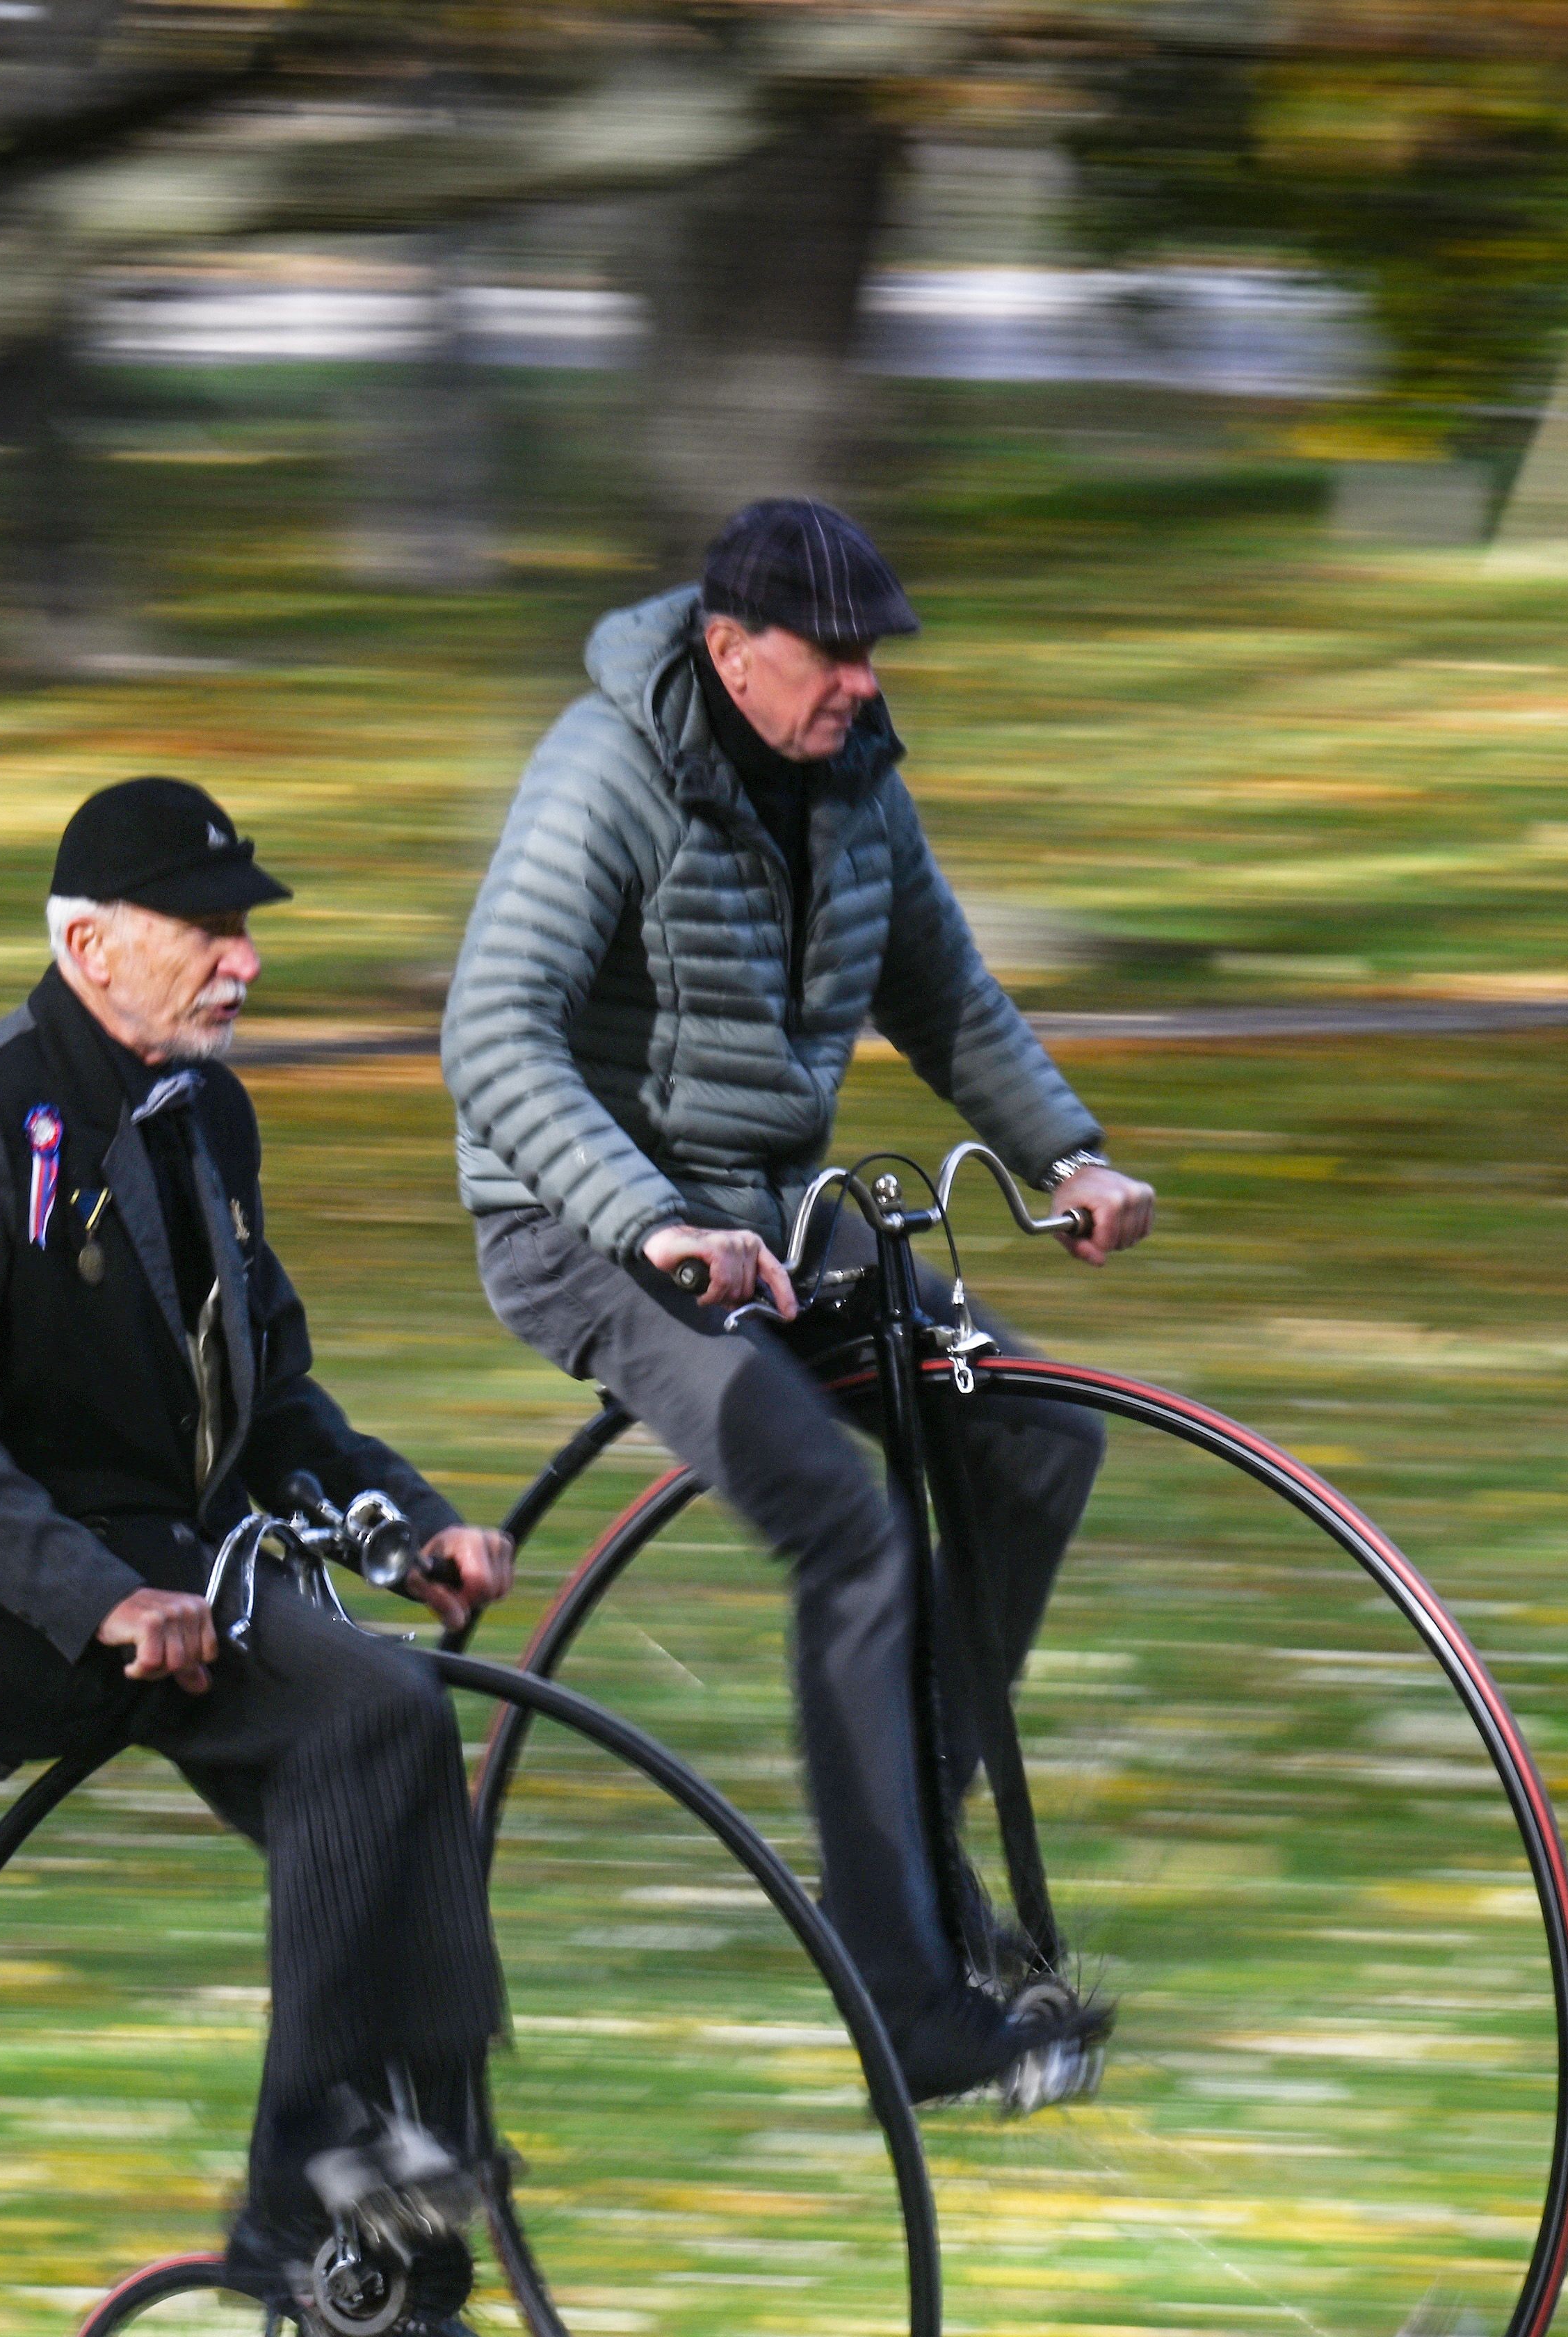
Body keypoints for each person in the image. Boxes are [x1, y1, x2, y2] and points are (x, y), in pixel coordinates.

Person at [440, 496, 1154, 2108]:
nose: (859, 683)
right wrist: (651, 1224)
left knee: (1035, 1438)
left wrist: (1070, 1156)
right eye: (831, 656)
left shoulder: (857, 779)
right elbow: (492, 1035)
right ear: (729, 646)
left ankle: (897, 1846)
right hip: (585, 1228)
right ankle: (903, 1997)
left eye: (872, 654)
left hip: (782, 1216)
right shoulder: (605, 772)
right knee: (846, 1519)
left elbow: (943, 989)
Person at [0, 773, 524, 2337]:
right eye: (207, 930)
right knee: (363, 1716)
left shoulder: (209, 1116)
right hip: (34, 1605)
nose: (243, 961)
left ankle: (421, 2155)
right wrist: (103, 1602)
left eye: (244, 931)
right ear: (91, 944)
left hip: (191, 1570)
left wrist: (404, 1520)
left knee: (402, 1716)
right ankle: (303, 2188)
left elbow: (267, 1394)